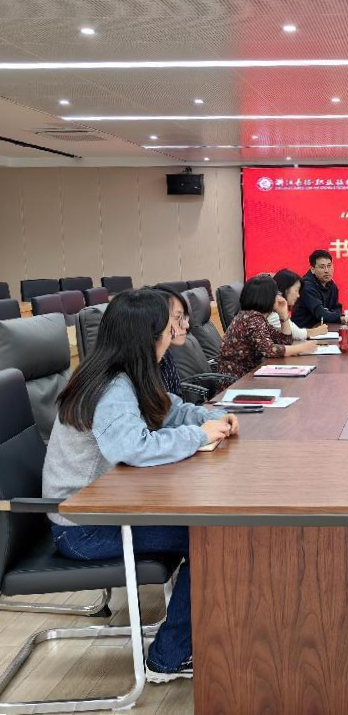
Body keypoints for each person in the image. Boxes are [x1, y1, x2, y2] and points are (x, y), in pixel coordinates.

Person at [42, 289, 240, 682]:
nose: (173, 334)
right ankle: (169, 657)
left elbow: (167, 410)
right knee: (213, 537)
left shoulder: (126, 373)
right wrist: (199, 436)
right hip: (84, 527)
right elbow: (134, 448)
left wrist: (210, 416)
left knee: (212, 530)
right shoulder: (111, 386)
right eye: (168, 328)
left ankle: (184, 638)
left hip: (105, 509)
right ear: (147, 337)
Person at [218, 275, 317, 379]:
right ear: (267, 297)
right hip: (237, 380)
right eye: (275, 294)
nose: (278, 297)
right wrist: (301, 348)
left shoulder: (256, 317)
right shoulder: (252, 318)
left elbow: (285, 341)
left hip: (250, 375)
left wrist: (283, 315)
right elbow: (269, 350)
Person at [291, 249, 348, 328]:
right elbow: (320, 314)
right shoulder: (306, 286)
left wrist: (333, 315)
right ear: (312, 269)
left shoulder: (332, 286)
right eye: (322, 267)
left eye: (329, 266)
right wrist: (340, 318)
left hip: (324, 330)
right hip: (303, 331)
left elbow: (337, 310)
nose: (326, 270)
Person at [152, 285, 191, 396]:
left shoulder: (166, 353)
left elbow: (176, 400)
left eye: (184, 317)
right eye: (177, 317)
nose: (186, 325)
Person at [268, 268, 327, 341]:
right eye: (296, 290)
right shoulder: (272, 314)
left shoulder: (280, 310)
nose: (298, 295)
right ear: (285, 290)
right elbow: (295, 334)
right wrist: (317, 331)